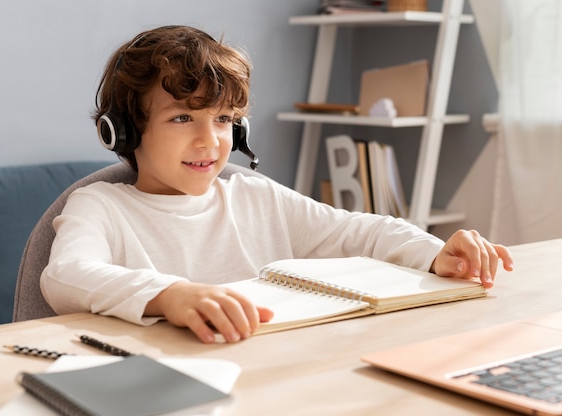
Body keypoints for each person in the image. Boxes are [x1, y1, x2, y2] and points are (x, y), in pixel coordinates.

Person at [40, 25, 513, 344]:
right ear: (121, 129)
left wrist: (433, 251)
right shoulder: (100, 206)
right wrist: (172, 295)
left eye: (224, 119)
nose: (210, 140)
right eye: (183, 117)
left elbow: (358, 231)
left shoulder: (254, 195)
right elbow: (65, 276)